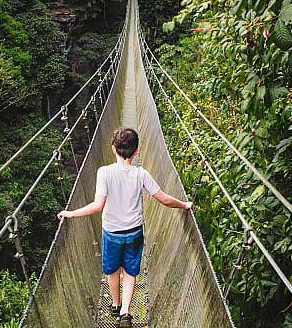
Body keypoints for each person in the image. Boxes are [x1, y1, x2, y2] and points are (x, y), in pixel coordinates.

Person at [57, 127, 193, 328]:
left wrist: (70, 213)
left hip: (111, 234)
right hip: (134, 233)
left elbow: (98, 206)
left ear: (113, 149)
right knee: (130, 272)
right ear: (137, 151)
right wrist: (184, 205)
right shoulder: (141, 174)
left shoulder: (104, 172)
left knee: (112, 271)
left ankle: (115, 303)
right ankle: (126, 312)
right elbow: (163, 199)